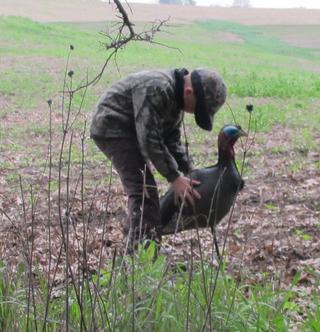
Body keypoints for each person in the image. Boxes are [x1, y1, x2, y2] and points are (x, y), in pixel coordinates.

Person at [90, 68, 227, 249]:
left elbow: (172, 140)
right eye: (197, 109)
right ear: (189, 92)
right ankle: (141, 251)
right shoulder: (157, 88)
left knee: (145, 187)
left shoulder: (176, 101)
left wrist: (191, 172)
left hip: (132, 130)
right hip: (112, 127)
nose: (194, 114)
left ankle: (137, 240)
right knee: (143, 189)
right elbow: (149, 139)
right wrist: (174, 177)